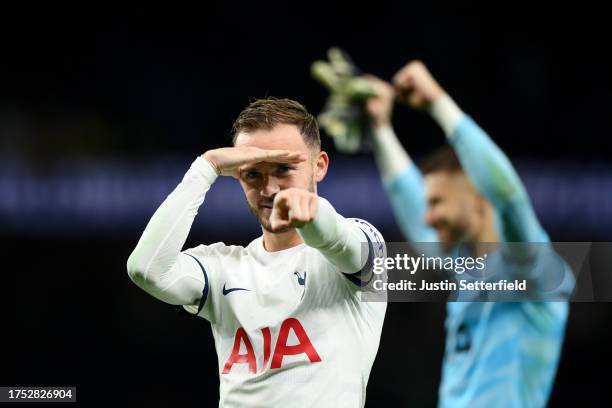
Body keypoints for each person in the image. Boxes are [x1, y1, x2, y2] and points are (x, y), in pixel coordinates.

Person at [127, 97, 386, 407]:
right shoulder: (223, 267)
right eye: (253, 174)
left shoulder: (364, 248)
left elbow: (337, 239)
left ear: (319, 167)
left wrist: (312, 214)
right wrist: (206, 167)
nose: (270, 188)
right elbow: (147, 270)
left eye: (284, 169)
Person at [365, 61, 570, 407]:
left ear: (478, 198)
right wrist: (380, 128)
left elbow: (509, 198)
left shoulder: (531, 268)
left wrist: (438, 103)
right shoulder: (465, 266)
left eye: (438, 203)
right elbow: (409, 199)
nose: (428, 216)